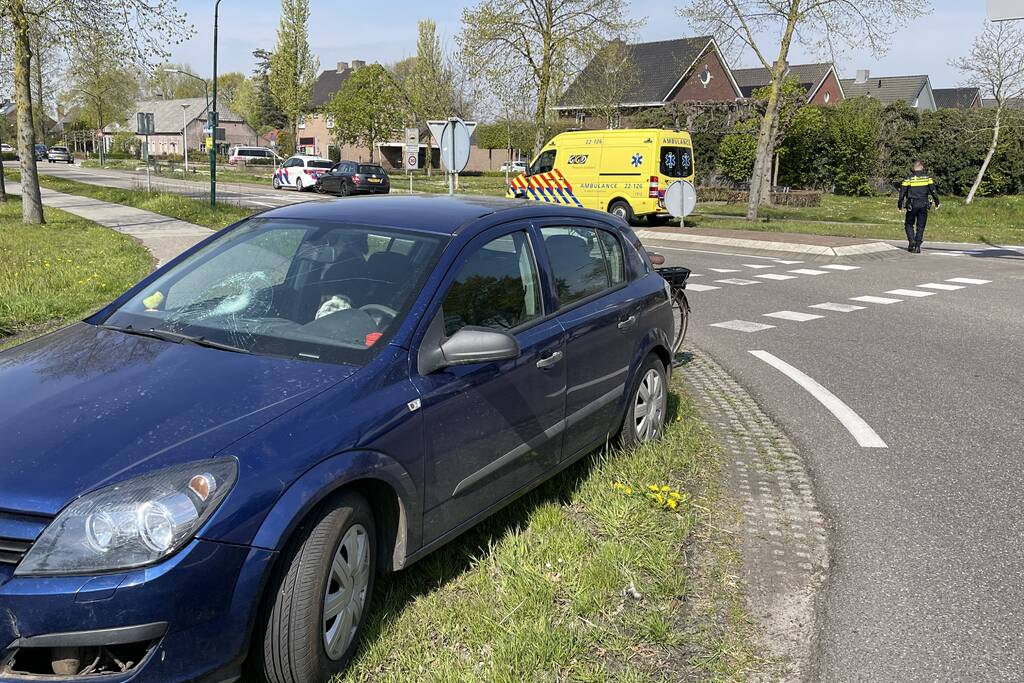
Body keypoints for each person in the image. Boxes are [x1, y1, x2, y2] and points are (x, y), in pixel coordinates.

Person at [898, 161, 940, 253]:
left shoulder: (909, 178)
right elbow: (933, 191)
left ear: (914, 168)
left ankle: (911, 241)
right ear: (922, 168)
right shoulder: (927, 178)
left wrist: (900, 204)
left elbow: (902, 192)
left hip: (912, 204)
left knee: (908, 224)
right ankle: (917, 245)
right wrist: (937, 202)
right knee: (921, 225)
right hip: (923, 204)